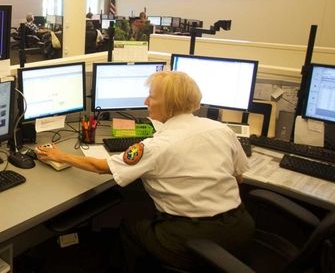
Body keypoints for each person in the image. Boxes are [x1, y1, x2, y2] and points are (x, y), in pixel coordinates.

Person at [36, 71, 253, 271]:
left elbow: (101, 167)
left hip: (190, 239)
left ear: (170, 105)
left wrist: (60, 156)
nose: (145, 102)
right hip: (240, 228)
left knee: (131, 226)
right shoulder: (220, 129)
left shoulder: (157, 145)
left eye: (151, 97)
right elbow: (239, 177)